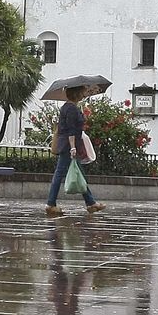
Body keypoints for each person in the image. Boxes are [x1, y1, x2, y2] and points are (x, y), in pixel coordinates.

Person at [46, 87, 103, 217]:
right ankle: (50, 204)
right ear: (77, 93)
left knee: (79, 172)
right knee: (59, 173)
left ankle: (91, 203)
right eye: (82, 92)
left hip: (68, 145)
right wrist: (72, 147)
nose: (83, 94)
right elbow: (71, 130)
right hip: (68, 146)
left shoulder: (68, 107)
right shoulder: (71, 109)